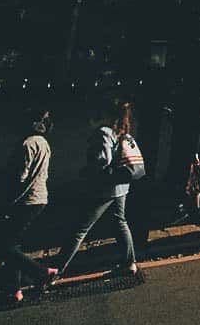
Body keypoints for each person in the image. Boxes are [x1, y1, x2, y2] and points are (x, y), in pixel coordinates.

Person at [53, 100, 139, 278]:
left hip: (105, 188)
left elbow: (102, 162)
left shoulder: (104, 133)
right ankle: (129, 262)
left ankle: (54, 272)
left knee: (80, 229)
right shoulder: (124, 132)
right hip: (122, 186)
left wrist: (86, 171)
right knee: (120, 221)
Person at [0, 108, 58, 303]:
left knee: (6, 247)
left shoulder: (26, 144)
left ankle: (42, 273)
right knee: (13, 245)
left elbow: (20, 176)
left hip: (25, 200)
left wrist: (1, 174)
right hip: (40, 197)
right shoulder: (44, 143)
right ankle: (14, 290)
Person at [172, 83, 200, 225]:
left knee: (189, 181)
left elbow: (193, 135)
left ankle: (189, 210)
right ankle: (196, 210)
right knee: (197, 183)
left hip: (193, 150)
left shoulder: (191, 116)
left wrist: (194, 152)